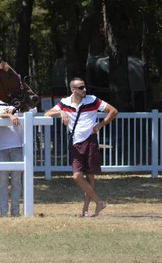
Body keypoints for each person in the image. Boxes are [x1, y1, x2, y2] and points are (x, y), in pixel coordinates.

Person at [45, 77, 118, 217]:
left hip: (90, 140)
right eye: (80, 88)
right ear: (73, 90)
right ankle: (99, 202)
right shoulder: (65, 103)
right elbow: (48, 113)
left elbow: (113, 111)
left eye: (84, 87)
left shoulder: (92, 100)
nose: (84, 90)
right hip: (76, 142)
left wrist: (100, 125)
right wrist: (61, 112)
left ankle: (86, 210)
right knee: (77, 176)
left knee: (90, 176)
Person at [0, 101, 37, 217]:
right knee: (2, 181)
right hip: (0, 147)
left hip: (18, 146)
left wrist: (15, 110)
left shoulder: (19, 100)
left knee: (16, 180)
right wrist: (10, 115)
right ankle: (3, 212)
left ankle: (15, 211)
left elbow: (33, 110)